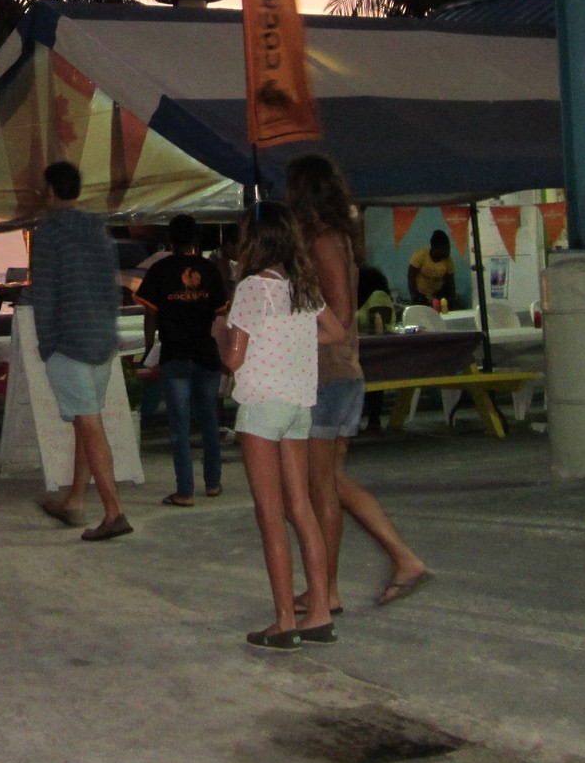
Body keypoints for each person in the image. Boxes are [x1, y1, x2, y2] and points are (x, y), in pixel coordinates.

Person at [287, 156, 429, 614]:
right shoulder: (334, 239)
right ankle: (374, 568)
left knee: (321, 489)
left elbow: (341, 315)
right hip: (337, 375)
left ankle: (330, 589)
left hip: (327, 375)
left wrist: (283, 327)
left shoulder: (325, 242)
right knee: (329, 484)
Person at [212, 203, 338, 649]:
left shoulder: (250, 288)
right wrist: (292, 338)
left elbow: (233, 359)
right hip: (298, 404)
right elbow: (336, 331)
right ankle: (319, 610)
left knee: (269, 516)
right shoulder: (301, 287)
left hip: (262, 405)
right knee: (299, 508)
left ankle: (284, 619)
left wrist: (219, 331)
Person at [30, 162, 132, 542]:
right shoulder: (99, 230)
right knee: (87, 424)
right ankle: (74, 500)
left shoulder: (49, 234)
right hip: (101, 338)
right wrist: (109, 332)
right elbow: (112, 287)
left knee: (89, 425)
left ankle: (114, 511)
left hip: (70, 342)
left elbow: (45, 292)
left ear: (51, 191)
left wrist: (48, 344)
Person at [134, 215, 227, 506]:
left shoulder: (160, 269)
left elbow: (150, 314)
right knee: (209, 420)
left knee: (179, 426)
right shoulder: (210, 270)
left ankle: (184, 491)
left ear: (170, 240)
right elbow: (221, 315)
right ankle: (213, 484)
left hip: (175, 355)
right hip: (206, 354)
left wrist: (150, 347)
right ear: (196, 239)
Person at [406, 230, 457, 310]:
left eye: (449, 247)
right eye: (446, 248)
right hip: (421, 293)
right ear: (436, 249)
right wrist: (414, 298)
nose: (448, 251)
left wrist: (451, 301)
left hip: (438, 293)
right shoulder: (420, 255)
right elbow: (411, 277)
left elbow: (450, 283)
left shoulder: (448, 260)